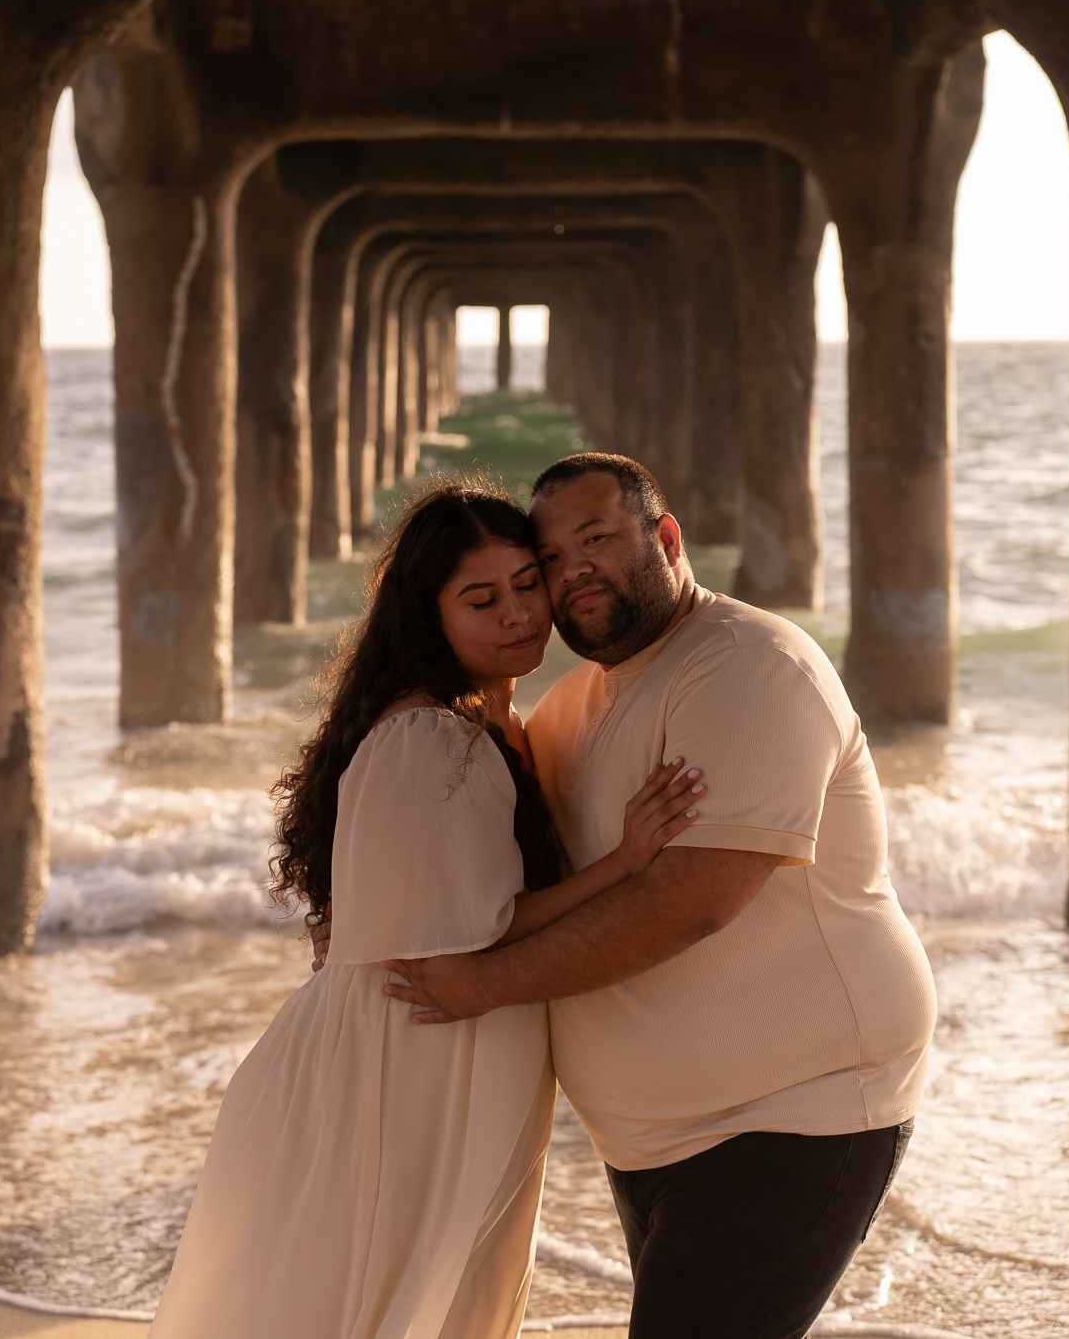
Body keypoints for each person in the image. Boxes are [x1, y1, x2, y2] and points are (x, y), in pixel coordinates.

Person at [383, 454, 936, 1339]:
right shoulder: (569, 706)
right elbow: (494, 878)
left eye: (597, 538)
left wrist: (479, 987)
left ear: (666, 538)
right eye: (552, 560)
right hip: (649, 1141)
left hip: (796, 1111)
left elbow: (695, 899)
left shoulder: (747, 665)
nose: (575, 571)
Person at [145, 482, 705, 1339]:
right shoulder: (432, 737)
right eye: (482, 599)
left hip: (436, 1043)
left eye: (529, 583)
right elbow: (475, 934)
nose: (519, 614)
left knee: (436, 1299)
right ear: (427, 613)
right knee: (408, 1303)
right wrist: (627, 864)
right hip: (413, 1060)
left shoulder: (484, 720)